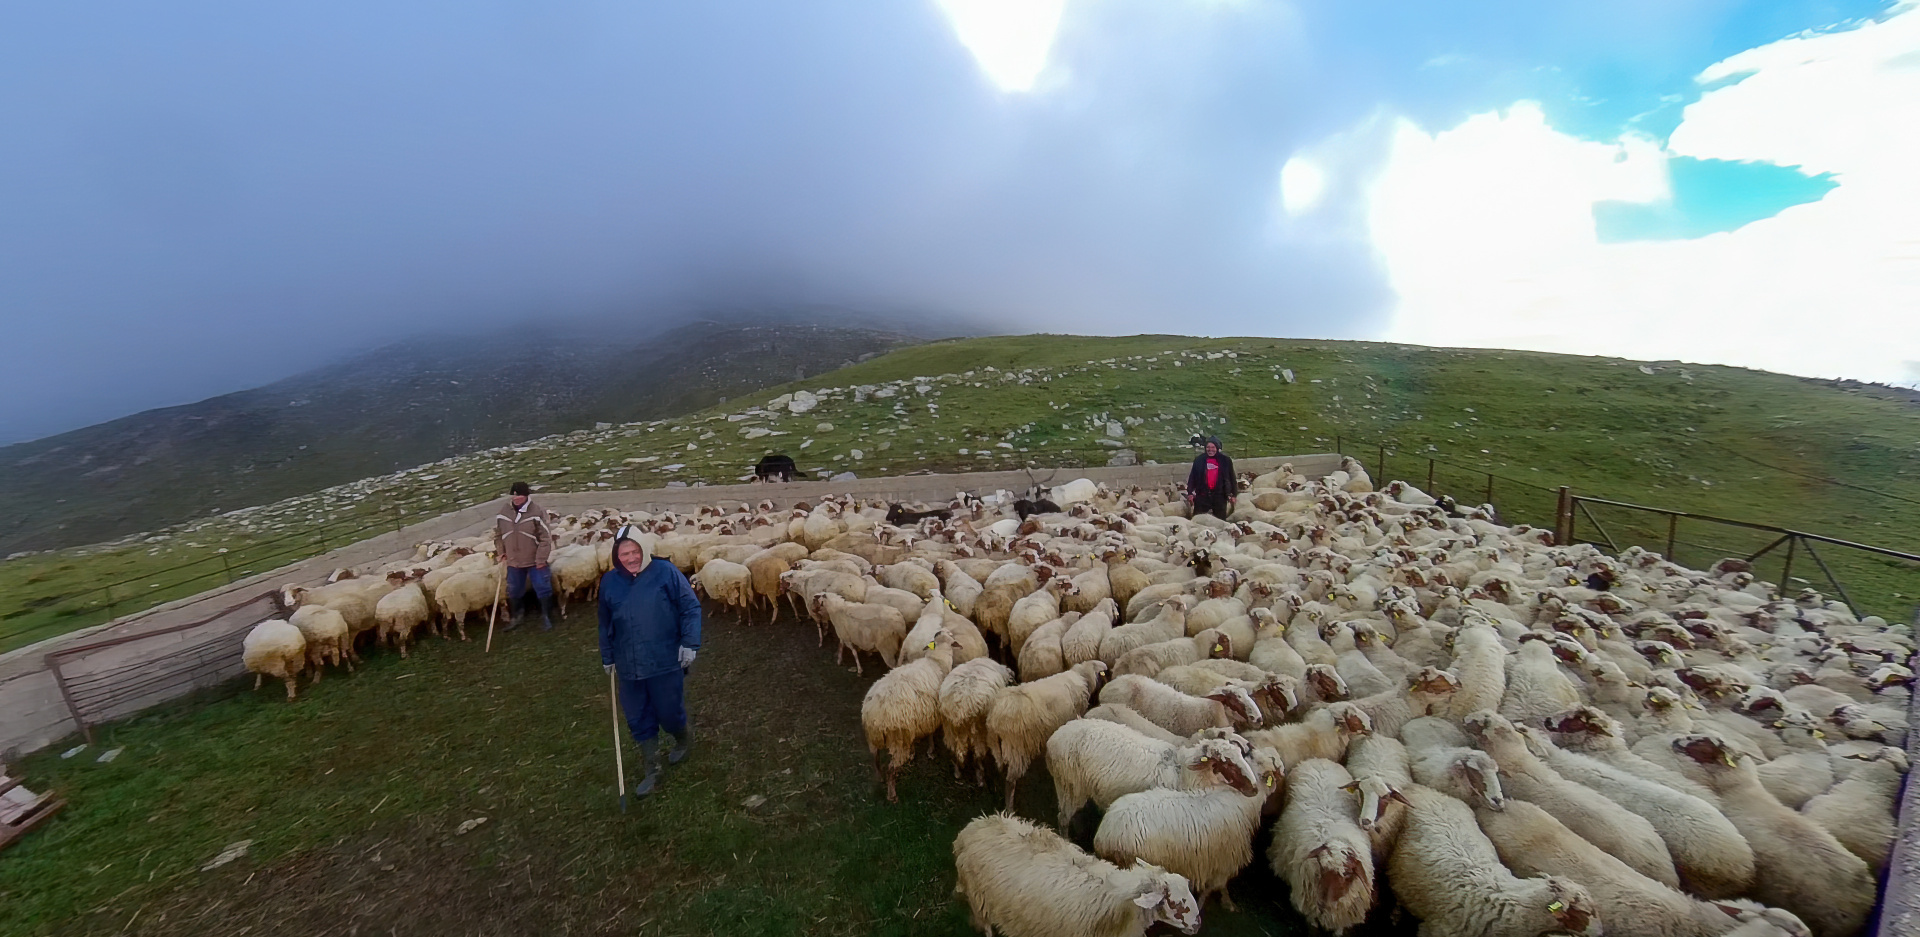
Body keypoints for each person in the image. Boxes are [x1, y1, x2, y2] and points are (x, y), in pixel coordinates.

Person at [599, 525, 701, 798]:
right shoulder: (609, 582)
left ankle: (682, 737)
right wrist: (608, 656)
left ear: (644, 549)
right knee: (638, 716)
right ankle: (652, 768)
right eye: (624, 554)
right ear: (615, 555)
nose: (630, 558)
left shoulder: (665, 572)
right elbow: (604, 622)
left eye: (635, 551)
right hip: (628, 665)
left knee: (668, 711)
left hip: (664, 659)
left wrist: (690, 642)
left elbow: (689, 607)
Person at [492, 481, 556, 631]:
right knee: (514, 589)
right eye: (514, 496)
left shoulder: (537, 511)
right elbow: (498, 535)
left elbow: (545, 538)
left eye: (519, 496)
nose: (516, 499)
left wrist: (541, 559)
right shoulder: (504, 512)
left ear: (526, 496)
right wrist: (501, 552)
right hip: (514, 560)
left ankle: (547, 616)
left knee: (542, 586)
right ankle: (517, 616)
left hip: (534, 559)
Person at [1186, 436, 1237, 520]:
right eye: (1208, 447)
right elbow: (1192, 477)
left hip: (1219, 496)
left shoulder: (1225, 461)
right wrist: (1190, 493)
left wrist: (1234, 495)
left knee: (1220, 521)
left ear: (1217, 448)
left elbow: (1232, 478)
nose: (1210, 450)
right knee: (1198, 520)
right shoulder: (1199, 460)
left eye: (1213, 447)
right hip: (1202, 495)